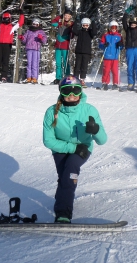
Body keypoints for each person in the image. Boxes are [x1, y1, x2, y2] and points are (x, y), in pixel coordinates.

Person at [42, 75, 107, 223]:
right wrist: (71, 147)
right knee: (64, 176)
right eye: (67, 91)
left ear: (81, 91)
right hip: (60, 148)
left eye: (76, 91)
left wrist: (96, 130)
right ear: (61, 92)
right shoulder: (52, 112)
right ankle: (62, 199)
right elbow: (48, 140)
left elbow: (102, 141)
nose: (71, 95)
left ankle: (63, 213)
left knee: (70, 171)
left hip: (83, 148)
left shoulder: (89, 110)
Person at [0, 7, 25, 82]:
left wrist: (21, 14)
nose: (6, 20)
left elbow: (20, 23)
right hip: (0, 44)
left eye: (7, 19)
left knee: (5, 61)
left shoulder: (12, 27)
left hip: (7, 45)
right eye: (4, 19)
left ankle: (4, 76)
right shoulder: (0, 26)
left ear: (10, 19)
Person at [71, 18, 97, 86]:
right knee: (77, 66)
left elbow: (94, 32)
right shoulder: (79, 32)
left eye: (87, 25)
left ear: (89, 25)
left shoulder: (90, 32)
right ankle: (76, 79)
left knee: (84, 67)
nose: (85, 26)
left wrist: (93, 23)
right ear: (82, 25)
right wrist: (75, 22)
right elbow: (74, 31)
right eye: (84, 25)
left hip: (86, 52)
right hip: (79, 52)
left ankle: (82, 79)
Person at [20, 18, 47, 84]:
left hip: (36, 49)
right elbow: (24, 40)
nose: (34, 25)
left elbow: (44, 41)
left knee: (35, 64)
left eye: (36, 24)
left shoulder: (41, 31)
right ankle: (29, 77)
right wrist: (22, 38)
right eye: (33, 24)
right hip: (29, 48)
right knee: (29, 63)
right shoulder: (29, 31)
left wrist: (41, 38)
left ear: (38, 24)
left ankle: (34, 78)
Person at [51, 9, 74, 84]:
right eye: (65, 15)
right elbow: (53, 22)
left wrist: (71, 34)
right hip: (58, 46)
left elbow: (73, 33)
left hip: (65, 46)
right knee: (58, 63)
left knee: (65, 62)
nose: (67, 17)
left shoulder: (71, 24)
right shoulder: (60, 22)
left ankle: (67, 77)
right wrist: (60, 16)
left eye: (68, 15)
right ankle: (58, 78)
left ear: (70, 17)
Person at [99, 20, 123, 90]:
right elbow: (101, 45)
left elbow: (121, 47)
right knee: (106, 70)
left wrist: (120, 45)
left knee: (115, 71)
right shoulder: (106, 35)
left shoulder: (119, 36)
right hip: (107, 56)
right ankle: (105, 83)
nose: (113, 29)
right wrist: (104, 45)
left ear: (117, 28)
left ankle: (115, 83)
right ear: (109, 28)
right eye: (112, 27)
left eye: (115, 27)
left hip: (115, 57)